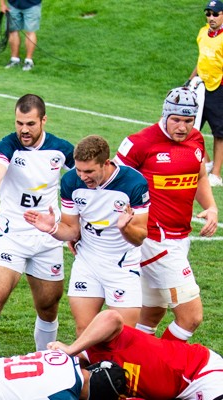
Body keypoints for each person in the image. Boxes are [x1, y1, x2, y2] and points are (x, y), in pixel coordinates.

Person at [114, 87, 219, 342]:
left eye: (188, 120)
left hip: (180, 238)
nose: (182, 127)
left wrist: (212, 206)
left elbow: (200, 174)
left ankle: (135, 368)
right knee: (191, 317)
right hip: (155, 240)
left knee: (150, 315)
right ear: (164, 115)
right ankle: (162, 364)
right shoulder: (139, 143)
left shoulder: (196, 139)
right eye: (176, 120)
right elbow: (111, 184)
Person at [0, 94, 75, 356]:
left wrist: (75, 226)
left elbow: (86, 177)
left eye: (30, 124)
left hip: (48, 238)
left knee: (48, 306)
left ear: (44, 120)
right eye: (19, 123)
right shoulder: (7, 146)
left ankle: (46, 366)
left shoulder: (61, 149)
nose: (24, 130)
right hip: (12, 236)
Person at [24, 135, 150, 337]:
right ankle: (88, 370)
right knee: (84, 331)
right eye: (79, 170)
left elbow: (140, 237)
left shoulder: (133, 183)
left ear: (106, 163)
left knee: (123, 336)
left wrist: (125, 228)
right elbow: (72, 230)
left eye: (89, 171)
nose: (83, 177)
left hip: (122, 266)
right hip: (87, 262)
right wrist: (52, 228)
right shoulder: (71, 181)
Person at [49, 309, 223, 400]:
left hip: (199, 373)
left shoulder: (99, 345)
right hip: (173, 393)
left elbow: (111, 317)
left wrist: (71, 349)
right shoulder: (96, 389)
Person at [187, 0, 223, 187]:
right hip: (201, 86)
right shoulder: (203, 33)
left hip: (219, 88)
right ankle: (207, 162)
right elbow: (201, 60)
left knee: (220, 132)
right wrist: (189, 81)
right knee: (191, 127)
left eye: (215, 14)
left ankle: (216, 174)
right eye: (208, 14)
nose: (211, 18)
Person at [0, 0, 42, 71]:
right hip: (13, 4)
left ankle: (29, 61)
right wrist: (2, 4)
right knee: (12, 31)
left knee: (30, 32)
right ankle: (14, 59)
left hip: (32, 5)